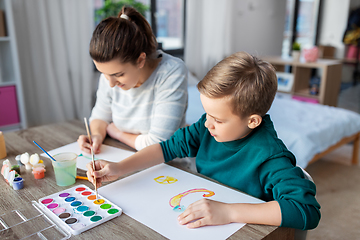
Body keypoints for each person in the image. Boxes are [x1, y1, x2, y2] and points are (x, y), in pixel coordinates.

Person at [86, 52, 321, 230]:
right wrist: (119, 167)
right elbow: (168, 148)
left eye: (217, 119)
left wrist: (228, 212)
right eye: (207, 114)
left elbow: (305, 210)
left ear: (252, 121)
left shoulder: (270, 156)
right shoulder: (208, 127)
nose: (207, 124)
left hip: (243, 228)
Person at [78, 6, 188, 154]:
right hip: (123, 153)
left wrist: (118, 134)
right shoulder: (110, 74)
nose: (110, 84)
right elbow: (100, 116)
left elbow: (159, 145)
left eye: (118, 74)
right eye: (103, 73)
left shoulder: (171, 72)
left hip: (168, 165)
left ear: (140, 60)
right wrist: (96, 135)